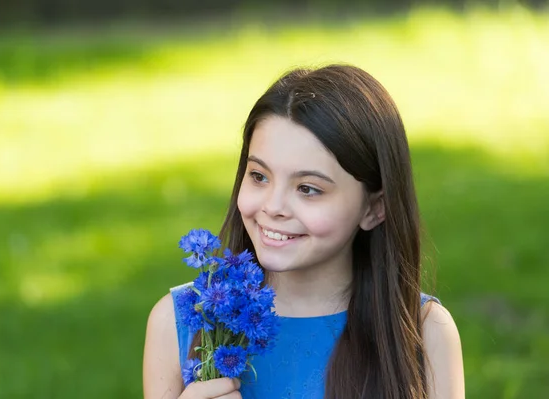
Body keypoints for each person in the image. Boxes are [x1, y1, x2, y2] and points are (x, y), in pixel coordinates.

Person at [143, 64, 464, 399]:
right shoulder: (179, 322)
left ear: (374, 208)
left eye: (308, 188)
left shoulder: (424, 332)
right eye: (259, 176)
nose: (274, 205)